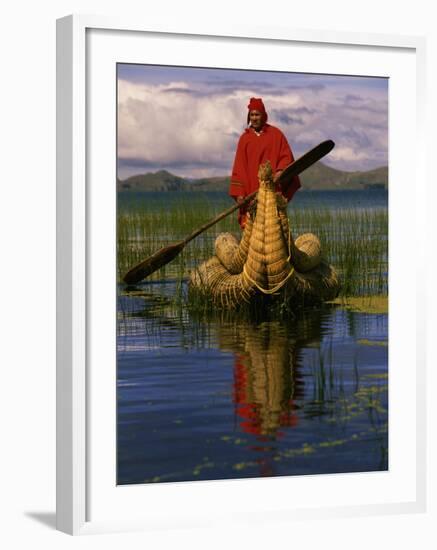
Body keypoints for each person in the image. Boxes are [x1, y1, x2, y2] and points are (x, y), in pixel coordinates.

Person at [229, 97, 301, 228]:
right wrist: (239, 194)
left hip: (271, 193)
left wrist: (280, 171)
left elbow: (286, 156)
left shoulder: (276, 134)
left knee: (274, 233)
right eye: (252, 115)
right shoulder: (244, 139)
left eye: (257, 114)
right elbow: (239, 167)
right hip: (251, 195)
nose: (254, 118)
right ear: (248, 117)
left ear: (263, 116)